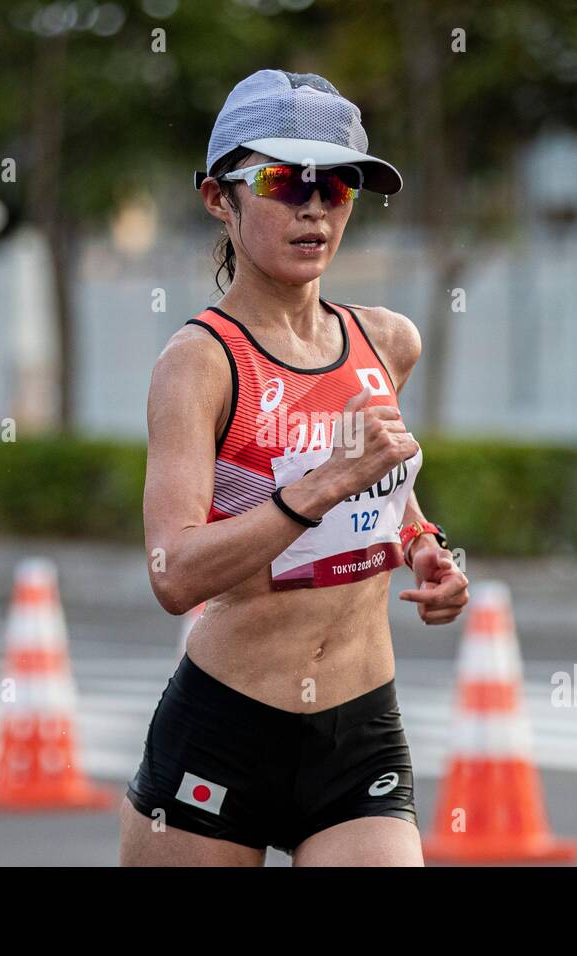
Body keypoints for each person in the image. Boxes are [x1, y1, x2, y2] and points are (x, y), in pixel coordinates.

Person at [120, 69, 469, 867]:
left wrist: (424, 547)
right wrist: (319, 487)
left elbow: (386, 493)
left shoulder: (388, 342)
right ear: (219, 198)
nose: (314, 205)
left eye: (338, 185)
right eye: (283, 180)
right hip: (224, 731)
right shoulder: (200, 362)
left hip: (360, 734)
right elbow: (173, 574)